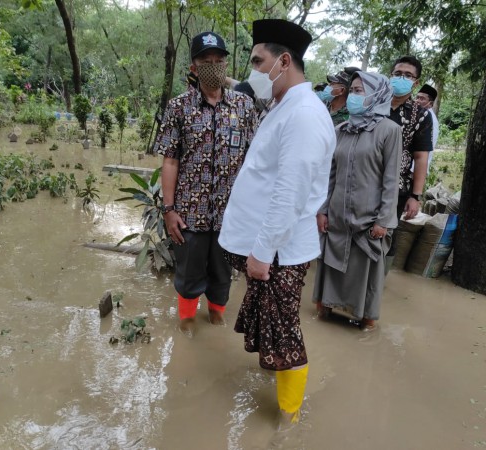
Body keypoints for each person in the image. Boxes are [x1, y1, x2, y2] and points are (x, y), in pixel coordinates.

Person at [219, 19, 336, 428]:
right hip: (271, 248)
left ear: (283, 61)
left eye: (258, 61)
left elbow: (291, 193)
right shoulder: (284, 106)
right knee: (275, 327)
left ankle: (288, 421)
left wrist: (262, 253)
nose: (253, 71)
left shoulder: (303, 114)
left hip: (279, 251)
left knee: (285, 334)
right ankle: (284, 402)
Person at [153, 31, 258, 337]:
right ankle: (186, 318)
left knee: (223, 272)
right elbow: (170, 160)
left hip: (231, 215)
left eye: (219, 60)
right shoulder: (179, 107)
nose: (214, 66)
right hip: (189, 212)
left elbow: (254, 162)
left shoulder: (244, 107)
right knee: (188, 271)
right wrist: (169, 209)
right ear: (194, 67)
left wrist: (251, 211)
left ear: (226, 64)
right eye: (206, 61)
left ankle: (216, 314)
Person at [313, 72, 402, 331]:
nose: (353, 95)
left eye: (360, 91)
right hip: (337, 215)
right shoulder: (342, 130)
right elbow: (330, 174)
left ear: (377, 94)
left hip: (369, 219)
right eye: (352, 90)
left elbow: (390, 178)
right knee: (330, 267)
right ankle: (325, 312)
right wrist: (323, 210)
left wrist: (384, 219)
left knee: (366, 272)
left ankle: (366, 321)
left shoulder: (389, 130)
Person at [386, 55, 433, 269]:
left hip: (396, 187)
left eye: (407, 75)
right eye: (397, 74)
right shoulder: (374, 105)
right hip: (362, 180)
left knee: (386, 233)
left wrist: (415, 196)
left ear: (415, 82)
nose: (401, 78)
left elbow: (421, 157)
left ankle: (376, 283)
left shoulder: (420, 115)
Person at [415, 83, 439, 170]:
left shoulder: (431, 120)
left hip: (417, 169)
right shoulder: (419, 115)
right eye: (417, 97)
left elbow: (426, 149)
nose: (417, 101)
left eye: (422, 99)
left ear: (430, 103)